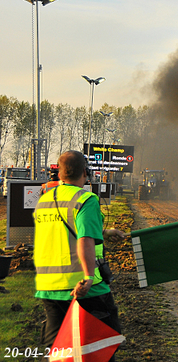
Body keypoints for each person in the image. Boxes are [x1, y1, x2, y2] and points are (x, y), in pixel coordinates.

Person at [33, 150, 126, 359]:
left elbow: (65, 232)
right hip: (84, 288)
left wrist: (104, 232)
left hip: (49, 288)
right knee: (101, 348)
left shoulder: (45, 201)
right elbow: (84, 240)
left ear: (58, 173)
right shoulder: (86, 199)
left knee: (61, 352)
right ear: (86, 172)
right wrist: (89, 277)